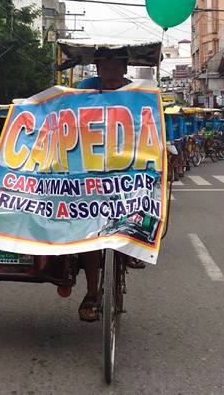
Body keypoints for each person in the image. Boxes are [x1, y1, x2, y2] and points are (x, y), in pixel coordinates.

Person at [74, 48, 144, 322]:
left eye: (116, 68)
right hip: (90, 168)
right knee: (87, 230)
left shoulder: (137, 93)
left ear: (124, 69)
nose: (110, 73)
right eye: (105, 68)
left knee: (142, 204)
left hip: (128, 167)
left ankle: (132, 248)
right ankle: (92, 293)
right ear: (98, 69)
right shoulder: (85, 89)